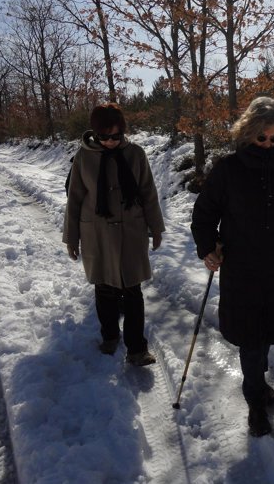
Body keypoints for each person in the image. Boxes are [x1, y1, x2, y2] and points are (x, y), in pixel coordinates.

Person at [191, 96, 274, 437]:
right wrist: (208, 247)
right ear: (247, 133)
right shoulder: (227, 169)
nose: (267, 144)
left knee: (269, 332)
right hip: (242, 270)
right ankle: (255, 401)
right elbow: (204, 214)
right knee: (250, 336)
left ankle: (257, 378)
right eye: (261, 137)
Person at [63, 102, 165, 366]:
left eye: (116, 136)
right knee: (104, 288)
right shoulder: (84, 157)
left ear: (123, 131)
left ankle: (137, 349)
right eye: (104, 136)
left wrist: (156, 228)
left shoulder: (136, 154)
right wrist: (71, 237)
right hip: (96, 232)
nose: (110, 142)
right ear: (95, 133)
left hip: (131, 231)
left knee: (133, 290)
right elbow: (74, 198)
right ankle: (109, 336)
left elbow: (148, 194)